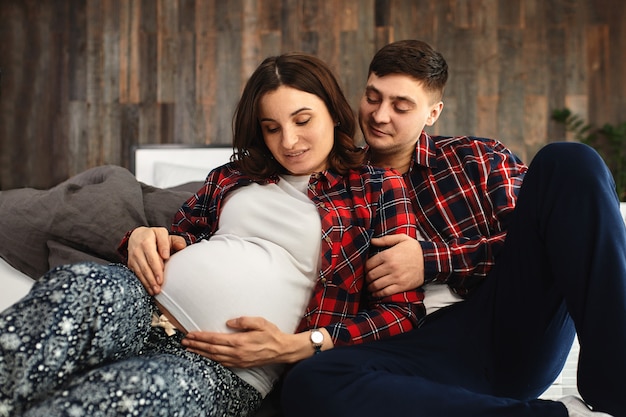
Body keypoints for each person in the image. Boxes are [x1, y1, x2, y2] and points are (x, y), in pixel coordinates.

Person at [0, 53, 424, 417]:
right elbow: (180, 235)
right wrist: (145, 237)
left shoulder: (376, 187)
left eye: (302, 120)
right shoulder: (235, 176)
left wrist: (298, 346)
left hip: (226, 367)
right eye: (271, 128)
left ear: (333, 111)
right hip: (144, 305)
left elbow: (403, 313)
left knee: (136, 395)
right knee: (80, 287)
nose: (289, 141)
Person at [281, 40, 626, 417]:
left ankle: (618, 388)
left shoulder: (478, 158)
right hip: (412, 351)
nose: (379, 116)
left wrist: (429, 260)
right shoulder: (336, 182)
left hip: (506, 327)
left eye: (401, 106)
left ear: (432, 113)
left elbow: (541, 242)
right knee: (309, 381)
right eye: (372, 97)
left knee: (570, 160)